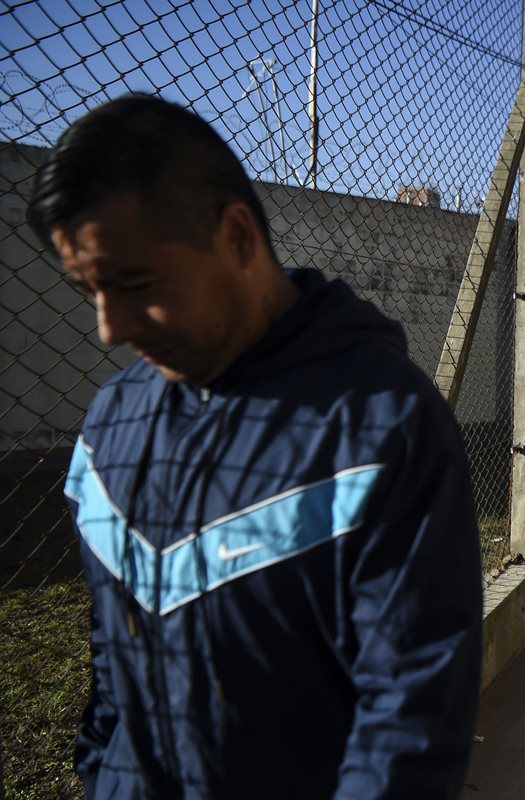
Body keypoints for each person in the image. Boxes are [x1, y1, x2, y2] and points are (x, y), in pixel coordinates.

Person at [28, 93, 483, 799]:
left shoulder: (381, 427)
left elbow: (409, 718)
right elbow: (110, 652)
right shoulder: (109, 425)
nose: (108, 328)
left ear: (237, 237)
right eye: (89, 289)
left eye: (133, 285)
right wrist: (103, 777)